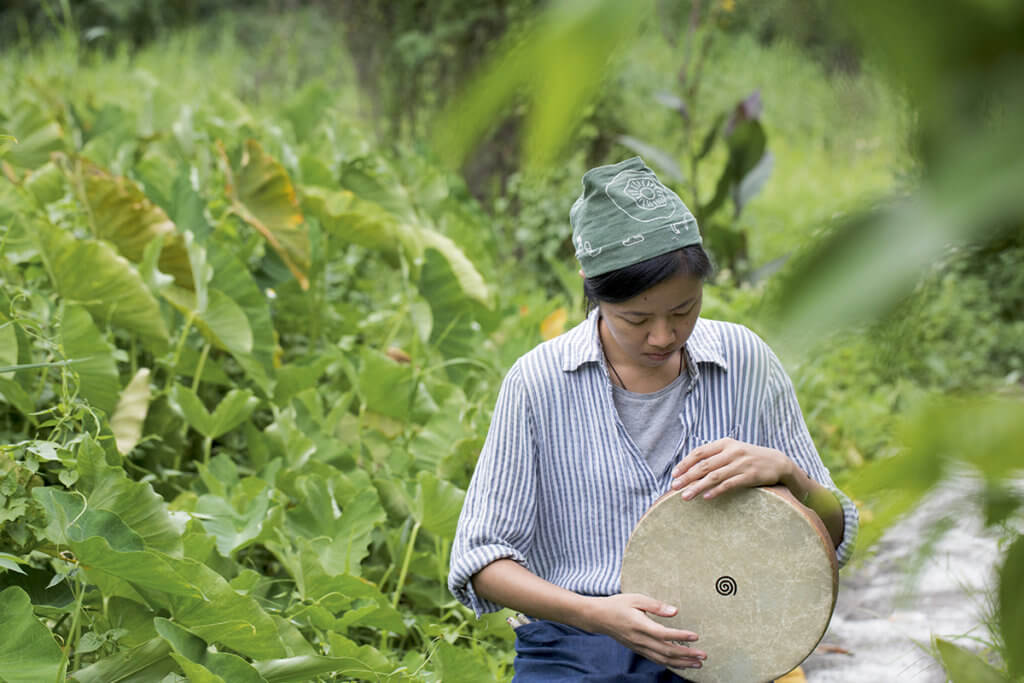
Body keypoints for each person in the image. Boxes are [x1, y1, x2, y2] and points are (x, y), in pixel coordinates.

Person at [448, 157, 858, 682]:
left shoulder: (745, 361)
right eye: (636, 319)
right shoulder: (538, 383)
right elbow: (481, 562)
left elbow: (836, 537)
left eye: (683, 310)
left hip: (727, 644)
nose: (663, 337)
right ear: (591, 289)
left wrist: (790, 475)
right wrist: (594, 613)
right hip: (576, 649)